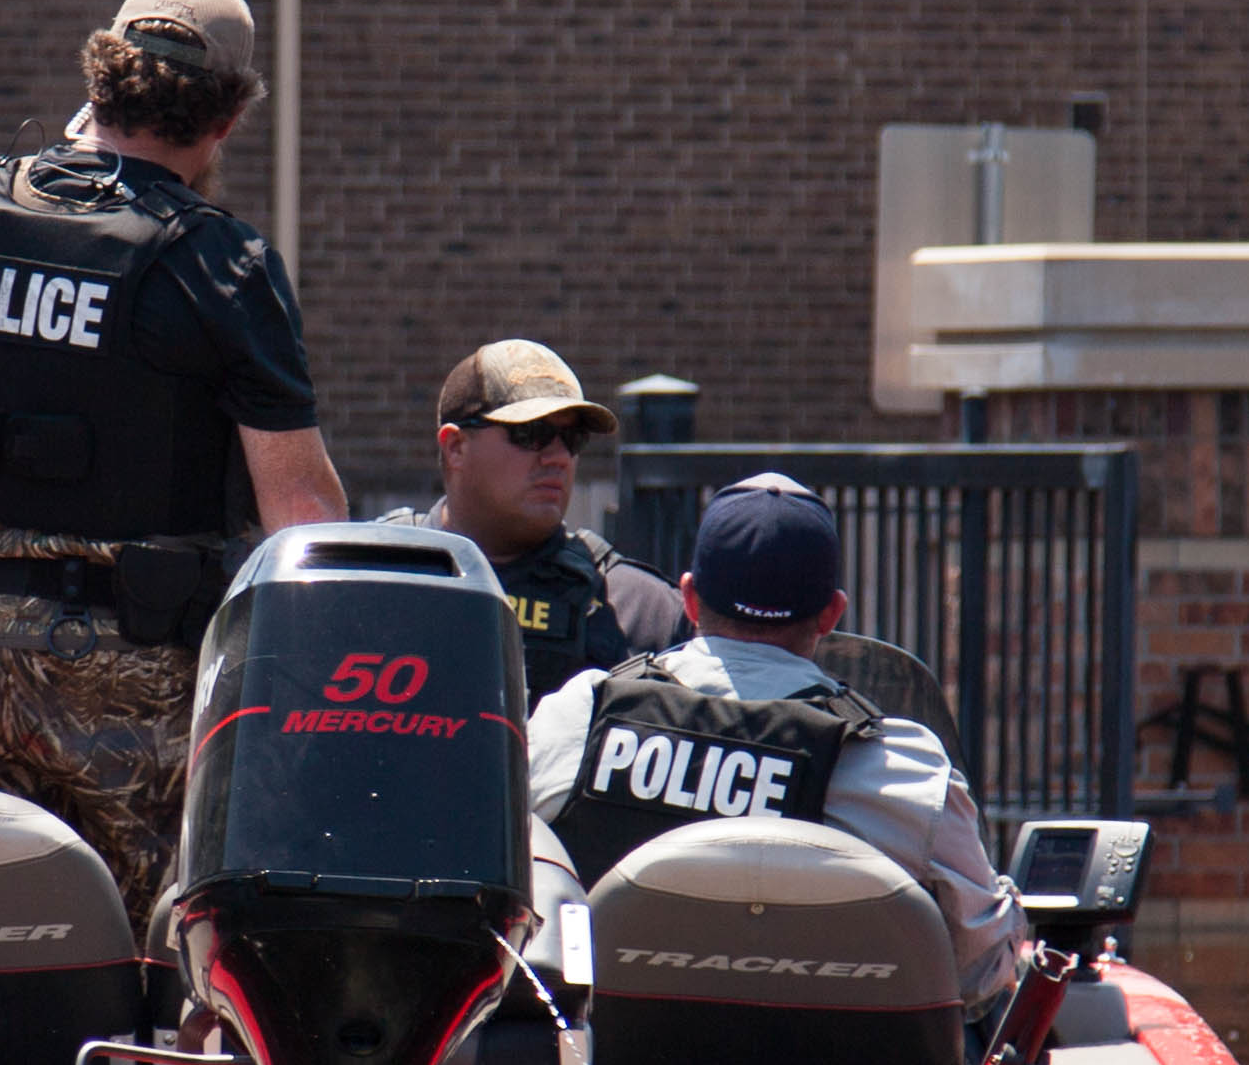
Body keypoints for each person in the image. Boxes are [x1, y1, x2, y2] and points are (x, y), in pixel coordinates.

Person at [0, 0, 345, 912]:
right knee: (127, 936)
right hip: (125, 677)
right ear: (227, 122)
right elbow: (303, 517)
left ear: (98, 84)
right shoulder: (221, 266)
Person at [528, 472, 1026, 1009]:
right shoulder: (901, 772)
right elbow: (981, 967)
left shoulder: (580, 717)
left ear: (690, 599)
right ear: (832, 614)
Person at [391, 340, 682, 704]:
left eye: (572, 438)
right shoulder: (369, 577)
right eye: (531, 434)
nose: (559, 457)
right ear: (456, 448)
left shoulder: (640, 609)